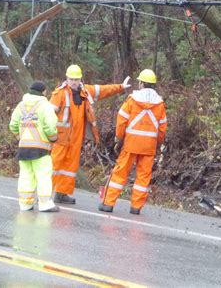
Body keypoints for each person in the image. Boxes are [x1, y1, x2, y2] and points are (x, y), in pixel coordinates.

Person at [50, 64, 131, 204]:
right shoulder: (60, 93)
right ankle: (44, 194)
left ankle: (61, 194)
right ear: (66, 79)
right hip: (61, 137)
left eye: (76, 79)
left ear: (80, 79)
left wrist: (121, 87)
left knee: (70, 167)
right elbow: (48, 113)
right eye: (71, 79)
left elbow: (103, 90)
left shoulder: (85, 91)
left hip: (76, 138)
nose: (74, 82)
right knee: (54, 165)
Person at [98, 69, 167, 215]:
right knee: (143, 177)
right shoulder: (159, 104)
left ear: (141, 83)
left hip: (131, 144)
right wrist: (158, 143)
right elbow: (162, 128)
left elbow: (121, 119)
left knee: (120, 173)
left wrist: (118, 139)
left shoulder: (132, 99)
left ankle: (108, 204)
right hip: (149, 147)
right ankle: (136, 207)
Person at [9, 81, 59, 212]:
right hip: (40, 149)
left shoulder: (20, 105)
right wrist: (54, 138)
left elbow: (13, 125)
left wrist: (19, 137)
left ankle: (25, 204)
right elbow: (50, 127)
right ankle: (44, 203)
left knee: (26, 175)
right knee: (43, 175)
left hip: (23, 148)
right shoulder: (45, 106)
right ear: (43, 92)